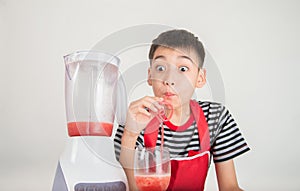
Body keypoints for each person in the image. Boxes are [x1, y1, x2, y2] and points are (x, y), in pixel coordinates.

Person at [114, 29, 250, 191]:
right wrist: (130, 135)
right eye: (161, 68)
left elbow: (230, 187)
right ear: (150, 76)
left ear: (200, 78)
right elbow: (132, 188)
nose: (170, 80)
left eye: (183, 69)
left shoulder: (215, 117)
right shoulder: (135, 120)